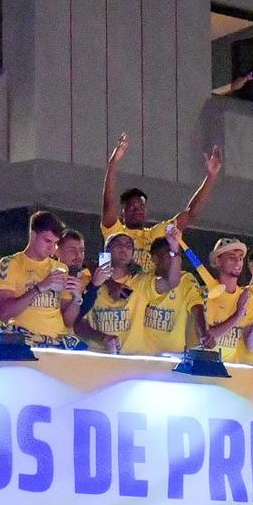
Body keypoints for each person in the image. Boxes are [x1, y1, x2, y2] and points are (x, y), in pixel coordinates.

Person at [100, 134, 223, 257]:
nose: (138, 210)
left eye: (141, 207)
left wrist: (211, 176)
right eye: (132, 207)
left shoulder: (155, 235)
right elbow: (108, 204)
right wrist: (113, 163)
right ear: (122, 212)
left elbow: (190, 214)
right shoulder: (116, 232)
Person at [0, 211, 84, 346]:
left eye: (55, 243)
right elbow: (4, 313)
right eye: (47, 241)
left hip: (57, 342)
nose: (51, 248)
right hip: (23, 341)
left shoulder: (61, 268)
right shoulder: (10, 264)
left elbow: (68, 321)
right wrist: (40, 287)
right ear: (33, 235)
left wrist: (77, 297)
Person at [130, 225, 198, 356]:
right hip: (144, 356)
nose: (175, 260)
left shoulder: (187, 278)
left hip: (175, 357)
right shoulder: (143, 280)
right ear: (155, 259)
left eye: (177, 256)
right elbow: (171, 282)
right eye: (170, 255)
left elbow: (197, 307)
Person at [78, 232, 143, 353]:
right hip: (96, 356)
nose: (124, 248)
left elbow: (170, 281)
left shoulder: (141, 280)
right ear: (106, 250)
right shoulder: (86, 280)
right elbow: (78, 324)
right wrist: (104, 339)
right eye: (118, 244)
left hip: (132, 360)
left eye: (129, 246)